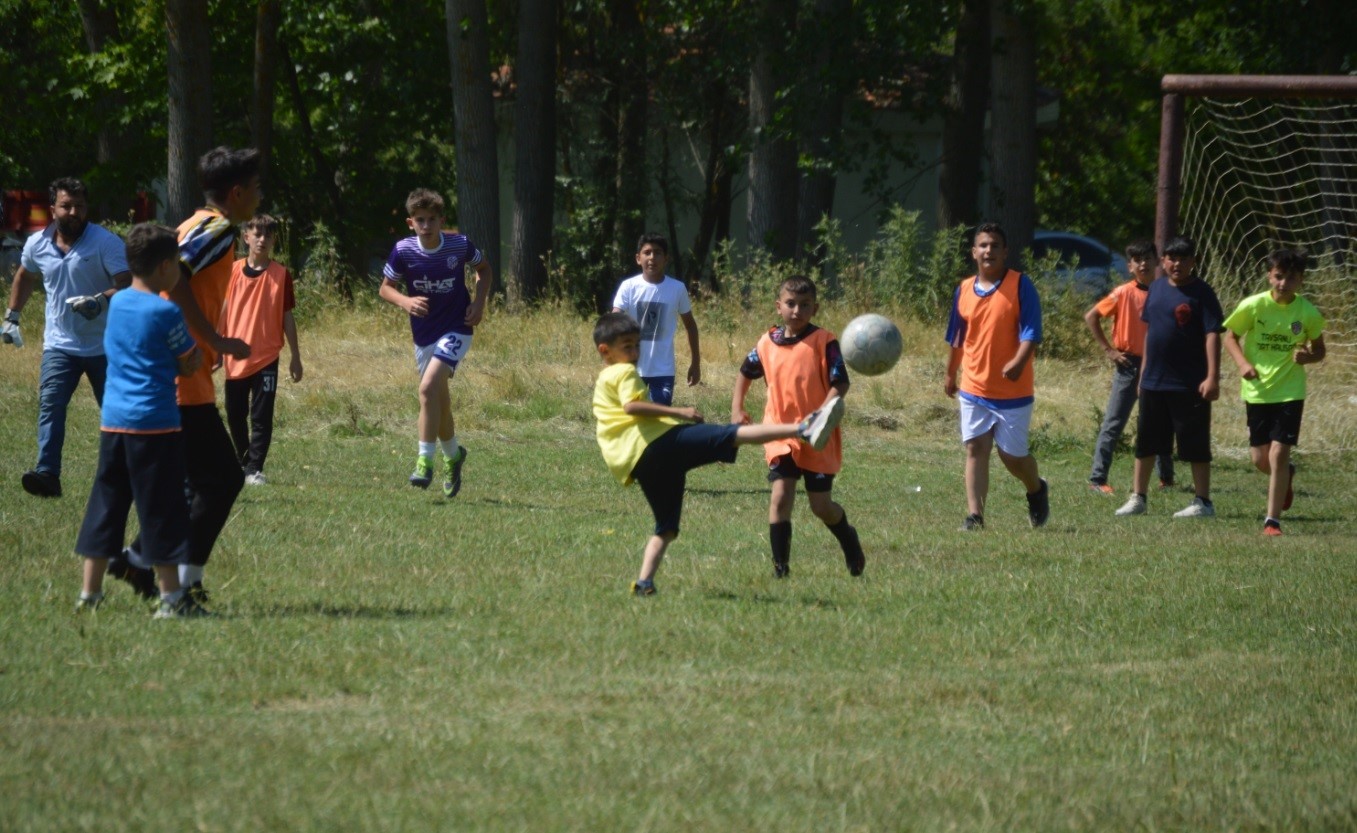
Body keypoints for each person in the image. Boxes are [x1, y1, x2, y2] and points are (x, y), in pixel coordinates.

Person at [593, 312, 843, 596]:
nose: (635, 352)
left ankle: (644, 583)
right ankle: (803, 428)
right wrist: (679, 412)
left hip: (638, 464)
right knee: (731, 435)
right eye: (627, 346)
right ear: (605, 351)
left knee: (666, 527)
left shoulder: (603, 380)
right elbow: (631, 407)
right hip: (658, 445)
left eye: (637, 345)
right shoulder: (624, 372)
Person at [108, 146, 261, 603]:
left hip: (172, 369)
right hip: (182, 374)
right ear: (236, 193)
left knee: (198, 481)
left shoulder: (193, 222)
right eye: (255, 188)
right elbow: (177, 278)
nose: (259, 196)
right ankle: (161, 571)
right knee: (223, 480)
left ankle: (143, 562)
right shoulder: (216, 229)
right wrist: (215, 339)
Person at [73, 223, 209, 618]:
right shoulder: (167, 310)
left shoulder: (118, 305)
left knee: (107, 505)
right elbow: (187, 363)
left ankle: (90, 593)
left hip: (114, 422)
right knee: (162, 509)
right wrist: (196, 357)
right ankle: (170, 599)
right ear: (167, 266)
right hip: (155, 425)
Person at [731, 276, 864, 579]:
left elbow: (840, 382)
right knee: (781, 496)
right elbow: (745, 372)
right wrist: (737, 407)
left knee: (821, 506)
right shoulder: (767, 342)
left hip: (817, 435)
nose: (797, 311)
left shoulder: (824, 341)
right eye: (790, 304)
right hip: (780, 433)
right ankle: (781, 568)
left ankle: (848, 539)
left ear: (815, 308)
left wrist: (821, 414)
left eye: (805, 305)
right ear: (778, 306)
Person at [5, 177, 130, 498]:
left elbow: (128, 282)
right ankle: (47, 474)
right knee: (51, 405)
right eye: (66, 206)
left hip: (106, 345)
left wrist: (100, 300)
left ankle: (131, 472)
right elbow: (25, 274)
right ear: (52, 209)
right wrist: (12, 317)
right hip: (60, 345)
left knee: (117, 412)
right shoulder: (37, 244)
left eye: (79, 206)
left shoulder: (105, 242)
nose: (73, 212)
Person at [379, 188, 492, 497]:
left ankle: (424, 462)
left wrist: (479, 304)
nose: (426, 226)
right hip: (424, 334)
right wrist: (405, 301)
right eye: (420, 220)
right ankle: (454, 456)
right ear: (410, 222)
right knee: (438, 400)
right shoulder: (403, 250)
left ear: (442, 220)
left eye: (432, 220)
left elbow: (484, 270)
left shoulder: (459, 245)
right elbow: (385, 288)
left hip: (458, 327)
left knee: (427, 389)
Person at [943, 222, 1049, 531]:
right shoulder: (963, 290)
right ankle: (975, 516)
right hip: (974, 386)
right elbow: (957, 337)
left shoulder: (1020, 285)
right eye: (983, 245)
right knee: (976, 448)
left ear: (1005, 251)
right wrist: (951, 373)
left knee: (1012, 457)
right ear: (974, 252)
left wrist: (1018, 361)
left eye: (994, 245)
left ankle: (1036, 489)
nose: (989, 250)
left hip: (1013, 391)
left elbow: (1032, 332)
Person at [1115, 235, 1224, 519]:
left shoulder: (1203, 293)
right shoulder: (1158, 287)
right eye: (1172, 258)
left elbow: (1212, 334)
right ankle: (1138, 497)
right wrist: (1143, 375)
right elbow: (1151, 333)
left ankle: (1203, 502)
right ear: (1163, 261)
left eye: (1183, 259)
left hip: (1190, 382)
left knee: (1195, 443)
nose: (1177, 264)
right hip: (1154, 380)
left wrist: (1212, 376)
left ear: (1193, 262)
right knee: (1147, 442)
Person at [1222, 249, 1326, 536]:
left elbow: (1319, 350)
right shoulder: (1254, 306)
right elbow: (1229, 336)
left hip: (1291, 391)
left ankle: (1272, 521)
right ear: (1269, 275)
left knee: (1279, 453)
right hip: (1257, 391)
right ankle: (1286, 477)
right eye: (1278, 277)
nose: (1283, 283)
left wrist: (1309, 357)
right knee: (1260, 459)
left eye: (1290, 278)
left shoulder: (1307, 313)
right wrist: (1243, 363)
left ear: (1300, 281)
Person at [1084, 239, 1175, 494]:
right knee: (1114, 422)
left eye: (1148, 258)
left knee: (1160, 422)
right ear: (1130, 266)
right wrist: (1109, 351)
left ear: (1158, 262)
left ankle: (1166, 477)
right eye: (1138, 260)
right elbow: (1091, 316)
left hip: (1158, 364)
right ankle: (1097, 479)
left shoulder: (1164, 291)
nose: (1143, 263)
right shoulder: (1123, 293)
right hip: (1129, 364)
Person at [220, 213, 303, 485]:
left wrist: (295, 357)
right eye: (257, 234)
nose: (262, 239)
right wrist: (215, 346)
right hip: (235, 354)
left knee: (261, 416)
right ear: (246, 237)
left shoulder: (281, 274)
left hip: (266, 356)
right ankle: (243, 462)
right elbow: (221, 311)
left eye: (267, 235)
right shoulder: (231, 271)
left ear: (274, 240)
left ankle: (254, 468)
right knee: (234, 414)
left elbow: (287, 316)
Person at [610, 233, 700, 406]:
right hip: (631, 367)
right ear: (638, 258)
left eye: (658, 253)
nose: (652, 258)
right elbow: (615, 319)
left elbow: (690, 326)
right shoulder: (628, 287)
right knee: (632, 419)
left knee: (659, 421)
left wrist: (696, 363)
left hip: (663, 370)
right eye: (647, 252)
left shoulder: (677, 288)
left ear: (666, 258)